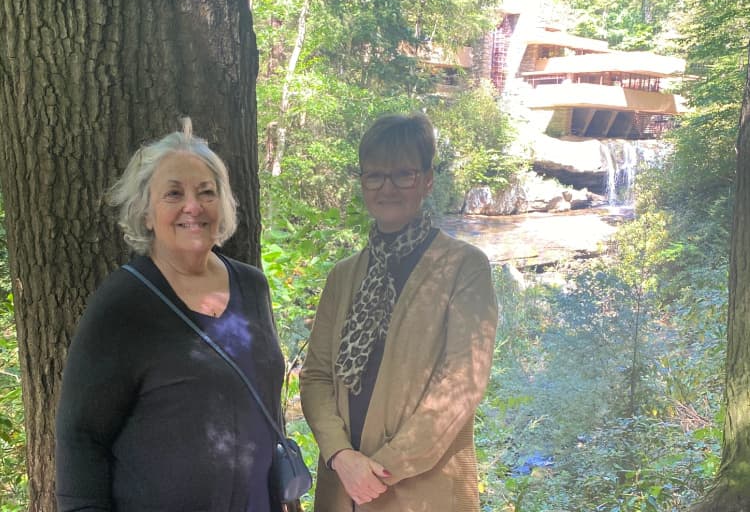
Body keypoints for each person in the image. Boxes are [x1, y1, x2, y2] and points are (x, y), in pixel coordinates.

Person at [55, 119, 285, 512]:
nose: (193, 206)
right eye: (173, 193)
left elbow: (264, 401)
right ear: (146, 213)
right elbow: (81, 435)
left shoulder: (252, 287)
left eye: (206, 192)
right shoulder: (123, 303)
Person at [299, 112, 498, 512]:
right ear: (362, 183)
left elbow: (461, 385)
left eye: (402, 174)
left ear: (426, 181)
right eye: (374, 175)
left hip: (420, 493)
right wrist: (341, 456)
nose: (387, 187)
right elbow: (317, 376)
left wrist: (378, 470)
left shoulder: (464, 267)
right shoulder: (344, 276)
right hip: (343, 489)